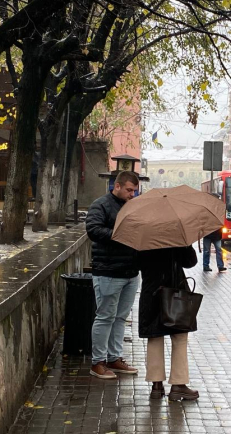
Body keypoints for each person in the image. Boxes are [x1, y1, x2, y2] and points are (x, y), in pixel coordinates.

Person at [85, 170, 140, 379]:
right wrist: (121, 234)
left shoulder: (132, 207)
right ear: (116, 186)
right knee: (105, 317)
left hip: (130, 272)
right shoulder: (100, 205)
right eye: (129, 190)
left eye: (134, 191)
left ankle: (114, 358)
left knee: (120, 318)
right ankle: (97, 362)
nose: (132, 194)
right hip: (108, 271)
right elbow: (93, 230)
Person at [138, 245, 200, 401]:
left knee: (154, 336)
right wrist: (186, 245)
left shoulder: (142, 233)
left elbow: (135, 263)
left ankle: (156, 385)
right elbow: (190, 261)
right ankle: (178, 385)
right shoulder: (176, 234)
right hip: (174, 291)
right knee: (179, 337)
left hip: (151, 290)